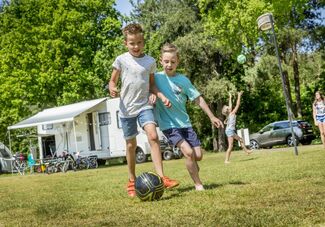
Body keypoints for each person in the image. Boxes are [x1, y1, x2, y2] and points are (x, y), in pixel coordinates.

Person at [108, 24, 179, 197]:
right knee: (131, 145)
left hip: (144, 105)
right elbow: (112, 81)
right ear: (126, 43)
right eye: (132, 43)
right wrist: (112, 88)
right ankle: (131, 181)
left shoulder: (150, 62)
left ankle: (162, 178)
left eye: (139, 42)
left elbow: (152, 84)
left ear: (143, 42)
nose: (136, 46)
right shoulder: (121, 60)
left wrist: (160, 96)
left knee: (153, 136)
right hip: (126, 109)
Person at [154, 43, 223, 191]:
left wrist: (212, 116)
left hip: (185, 124)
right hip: (169, 125)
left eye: (173, 61)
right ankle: (198, 184)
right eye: (166, 61)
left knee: (198, 155)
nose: (169, 64)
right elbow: (147, 88)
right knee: (188, 152)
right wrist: (151, 96)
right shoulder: (155, 78)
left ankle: (192, 162)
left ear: (178, 62)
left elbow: (198, 99)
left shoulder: (183, 80)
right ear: (161, 61)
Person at [222, 91, 251, 164]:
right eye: (228, 108)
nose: (230, 107)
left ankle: (247, 151)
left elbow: (230, 104)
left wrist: (230, 96)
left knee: (240, 139)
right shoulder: (232, 113)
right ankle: (226, 160)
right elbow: (238, 104)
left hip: (230, 130)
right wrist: (239, 95)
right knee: (230, 146)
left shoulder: (229, 114)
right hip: (230, 131)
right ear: (228, 110)